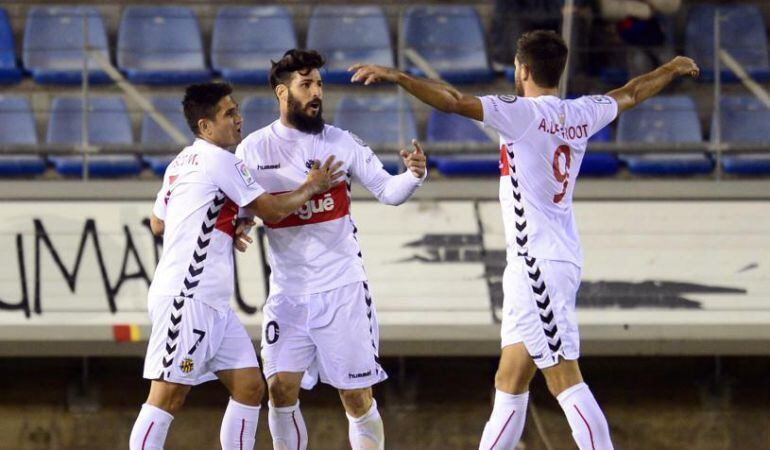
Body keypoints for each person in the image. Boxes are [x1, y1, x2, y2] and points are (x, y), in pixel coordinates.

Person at [349, 30, 698, 450]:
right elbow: (632, 92)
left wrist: (398, 76)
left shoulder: (520, 113)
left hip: (538, 264)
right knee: (509, 382)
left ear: (523, 70)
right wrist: (672, 68)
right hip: (544, 260)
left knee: (564, 378)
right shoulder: (582, 111)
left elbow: (454, 100)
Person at [129, 82, 344, 450]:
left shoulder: (181, 161)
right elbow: (274, 210)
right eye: (229, 114)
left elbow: (158, 222)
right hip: (187, 296)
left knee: (249, 386)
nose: (239, 119)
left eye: (236, 110)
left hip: (212, 303)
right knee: (166, 396)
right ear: (205, 126)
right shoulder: (220, 160)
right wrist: (312, 185)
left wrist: (222, 224)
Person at [235, 49, 427, 450]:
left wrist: (412, 176)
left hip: (341, 290)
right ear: (281, 93)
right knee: (280, 391)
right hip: (287, 294)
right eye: (306, 85)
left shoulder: (342, 142)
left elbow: (388, 191)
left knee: (356, 397)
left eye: (319, 84)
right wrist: (239, 224)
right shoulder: (253, 151)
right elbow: (240, 208)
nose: (317, 92)